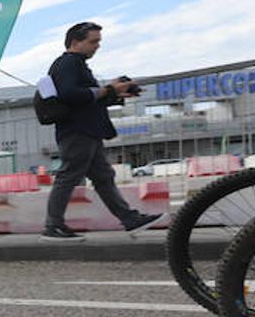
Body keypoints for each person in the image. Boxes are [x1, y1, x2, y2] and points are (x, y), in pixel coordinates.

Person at [41, 22, 164, 241]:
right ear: (75, 42)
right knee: (69, 176)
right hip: (78, 131)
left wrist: (116, 94)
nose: (97, 46)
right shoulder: (68, 63)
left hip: (87, 130)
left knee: (103, 178)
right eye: (93, 41)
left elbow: (85, 99)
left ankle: (129, 219)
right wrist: (109, 90)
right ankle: (53, 226)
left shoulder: (75, 64)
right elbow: (69, 94)